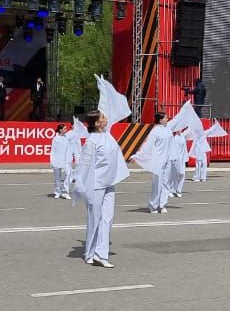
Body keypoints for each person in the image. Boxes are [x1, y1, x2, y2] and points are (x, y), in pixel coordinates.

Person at [73, 110, 129, 268]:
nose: (106, 118)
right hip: (95, 185)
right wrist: (80, 186)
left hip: (109, 182)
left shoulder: (107, 135)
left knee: (107, 219)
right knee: (94, 219)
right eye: (103, 117)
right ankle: (89, 252)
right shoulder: (92, 141)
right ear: (97, 123)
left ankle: (100, 254)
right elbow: (84, 165)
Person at [133, 112, 173, 214]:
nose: (167, 119)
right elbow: (148, 145)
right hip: (158, 160)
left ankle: (162, 205)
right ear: (160, 120)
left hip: (168, 159)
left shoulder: (168, 130)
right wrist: (138, 155)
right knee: (157, 184)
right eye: (165, 118)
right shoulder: (155, 131)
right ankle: (153, 205)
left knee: (166, 183)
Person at [166, 129, 188, 197]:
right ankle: (170, 190)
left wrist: (185, 157)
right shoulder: (174, 138)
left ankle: (178, 190)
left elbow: (184, 148)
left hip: (182, 158)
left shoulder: (182, 137)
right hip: (175, 158)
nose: (179, 130)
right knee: (174, 174)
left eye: (180, 128)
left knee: (182, 174)